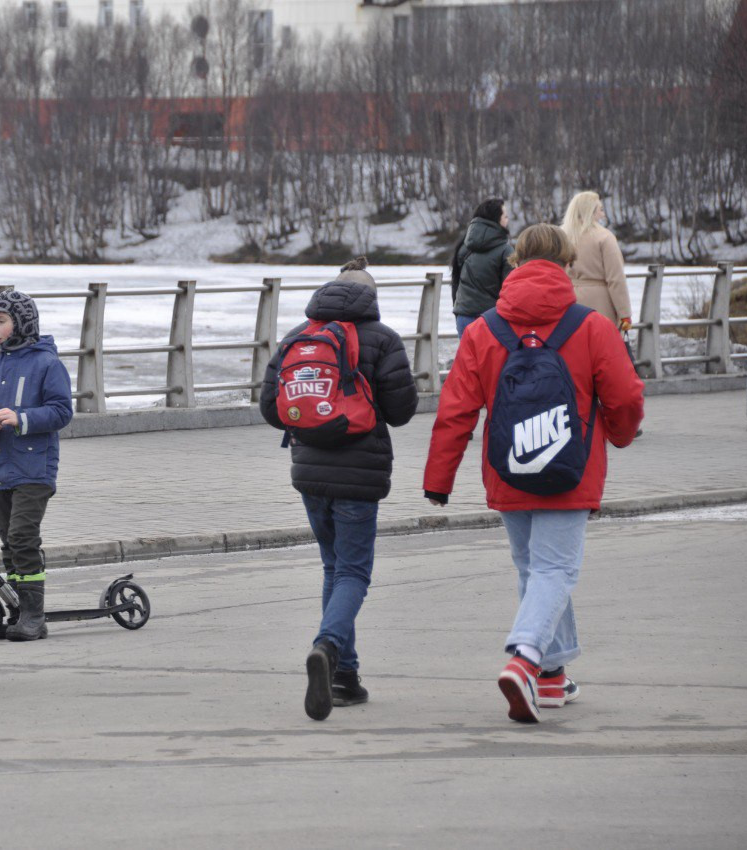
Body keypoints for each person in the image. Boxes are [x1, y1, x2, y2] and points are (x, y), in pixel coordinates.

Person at [423, 224, 644, 723]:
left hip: (510, 471)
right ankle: (524, 660)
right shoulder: (591, 326)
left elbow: (456, 409)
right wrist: (620, 434)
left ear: (516, 261)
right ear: (567, 264)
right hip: (572, 470)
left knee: (535, 571)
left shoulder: (483, 329)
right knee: (555, 571)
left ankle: (549, 679)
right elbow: (627, 396)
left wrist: (439, 480)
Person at [259, 258, 419, 721]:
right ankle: (327, 648)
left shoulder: (297, 335)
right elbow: (402, 408)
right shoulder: (382, 338)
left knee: (333, 567)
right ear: (370, 297)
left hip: (308, 471)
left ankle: (344, 675)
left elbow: (271, 406)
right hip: (359, 474)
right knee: (353, 573)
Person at [0, 290, 73, 641]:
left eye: (1, 322)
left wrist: (21, 418)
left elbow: (62, 411)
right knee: (8, 541)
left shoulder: (47, 363)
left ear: (22, 323)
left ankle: (34, 615)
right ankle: (18, 610)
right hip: (0, 469)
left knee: (22, 536)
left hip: (34, 469)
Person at [561, 191, 632, 332]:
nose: (603, 214)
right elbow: (615, 279)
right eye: (600, 210)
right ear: (590, 212)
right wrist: (625, 314)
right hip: (600, 303)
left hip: (566, 300)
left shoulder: (561, 235)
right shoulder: (604, 237)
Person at [449, 198, 513, 338]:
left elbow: (455, 284)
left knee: (469, 359)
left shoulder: (464, 246)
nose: (508, 220)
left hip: (464, 318)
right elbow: (511, 291)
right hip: (493, 321)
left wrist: (459, 311)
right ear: (496, 219)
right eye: (505, 216)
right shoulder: (505, 251)